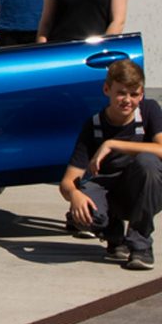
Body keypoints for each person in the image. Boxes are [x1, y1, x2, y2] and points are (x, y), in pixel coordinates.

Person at [57, 59, 161, 270]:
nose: (127, 100)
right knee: (84, 214)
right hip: (108, 191)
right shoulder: (94, 125)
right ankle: (113, 233)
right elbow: (67, 181)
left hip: (141, 191)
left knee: (148, 162)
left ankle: (140, 246)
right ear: (107, 90)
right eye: (121, 93)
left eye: (134, 94)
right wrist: (75, 195)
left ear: (142, 94)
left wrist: (112, 144)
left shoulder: (149, 111)